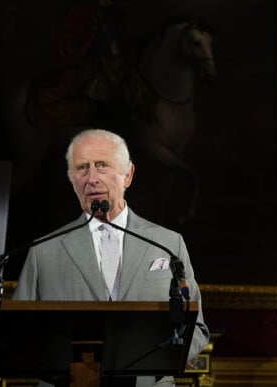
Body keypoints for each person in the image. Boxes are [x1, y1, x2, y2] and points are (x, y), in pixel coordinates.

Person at [13, 128, 209, 386]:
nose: (91, 178)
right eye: (82, 168)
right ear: (72, 181)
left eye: (102, 165)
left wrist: (155, 363)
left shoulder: (168, 244)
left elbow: (196, 329)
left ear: (127, 175)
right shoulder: (44, 251)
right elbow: (19, 333)